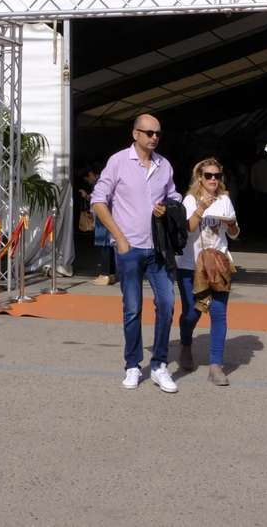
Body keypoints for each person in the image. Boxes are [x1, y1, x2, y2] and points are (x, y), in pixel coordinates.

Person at [91, 113, 182, 393]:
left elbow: (174, 196)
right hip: (129, 248)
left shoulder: (163, 165)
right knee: (132, 309)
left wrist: (167, 206)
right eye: (149, 132)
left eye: (158, 133)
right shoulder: (118, 162)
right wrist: (118, 238)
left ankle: (159, 365)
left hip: (158, 249)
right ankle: (132, 364)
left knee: (166, 304)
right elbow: (98, 200)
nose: (154, 137)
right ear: (135, 134)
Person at [175, 158, 239, 385]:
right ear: (199, 178)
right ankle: (185, 343)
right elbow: (188, 229)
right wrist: (202, 208)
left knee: (219, 313)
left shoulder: (224, 200)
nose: (213, 180)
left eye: (217, 176)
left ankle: (215, 366)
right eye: (209, 176)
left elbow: (233, 234)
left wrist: (231, 224)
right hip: (190, 265)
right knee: (192, 313)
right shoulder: (190, 200)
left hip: (219, 264)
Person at [249, 150, 267, 238]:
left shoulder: (255, 166)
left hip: (259, 192)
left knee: (260, 214)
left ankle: (261, 233)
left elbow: (252, 180)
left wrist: (256, 188)